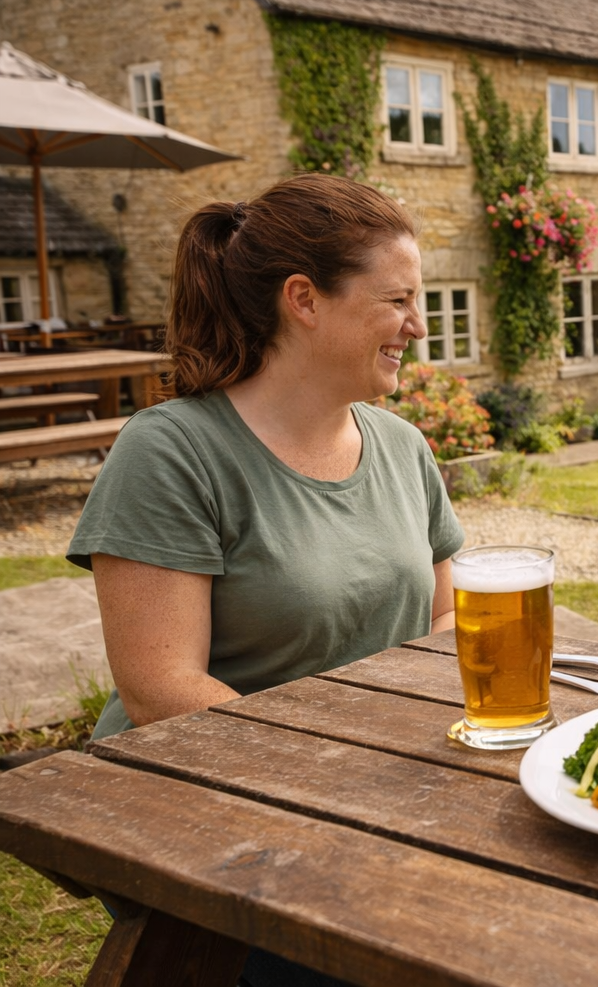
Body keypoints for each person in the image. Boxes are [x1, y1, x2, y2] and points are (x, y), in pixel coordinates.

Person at [68, 174, 463, 985]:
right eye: (397, 301)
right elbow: (160, 689)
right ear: (304, 300)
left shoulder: (402, 448)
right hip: (205, 806)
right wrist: (351, 785)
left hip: (375, 798)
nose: (417, 327)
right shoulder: (173, 451)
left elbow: (448, 629)